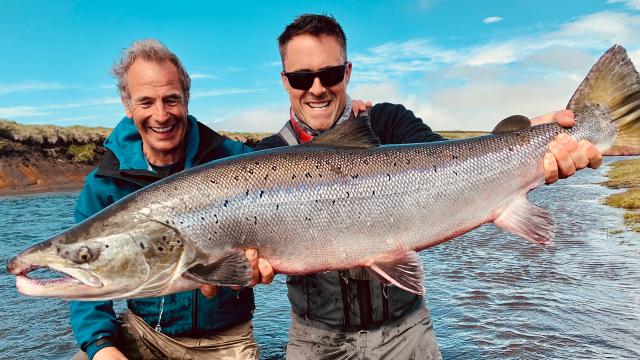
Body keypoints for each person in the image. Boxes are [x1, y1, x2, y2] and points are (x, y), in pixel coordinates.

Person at [255, 14, 603, 359]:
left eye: (329, 74)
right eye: (302, 78)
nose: (317, 88)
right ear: (285, 81)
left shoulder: (388, 122)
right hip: (314, 338)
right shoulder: (262, 159)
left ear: (347, 73)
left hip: (405, 331)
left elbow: (461, 163)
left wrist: (532, 136)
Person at [70, 39, 274, 360]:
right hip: (144, 333)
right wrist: (101, 346)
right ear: (127, 105)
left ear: (187, 100)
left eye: (171, 100)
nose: (161, 115)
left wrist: (350, 110)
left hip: (226, 340)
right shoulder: (104, 183)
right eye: (146, 102)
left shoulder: (235, 161)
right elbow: (86, 282)